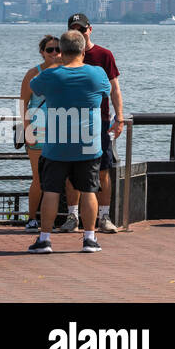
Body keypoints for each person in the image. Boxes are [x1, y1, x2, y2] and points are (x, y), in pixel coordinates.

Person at [27, 30, 110, 254]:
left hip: (56, 145)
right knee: (89, 190)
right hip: (88, 144)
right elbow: (106, 92)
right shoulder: (97, 74)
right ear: (83, 50)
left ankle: (44, 239)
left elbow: (34, 87)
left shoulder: (51, 75)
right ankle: (90, 239)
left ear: (61, 51)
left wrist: (56, 64)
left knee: (52, 190)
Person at [67, 14, 122, 233]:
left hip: (100, 121)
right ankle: (72, 216)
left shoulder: (104, 55)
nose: (79, 33)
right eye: (74, 29)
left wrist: (120, 118)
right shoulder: (64, 55)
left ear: (90, 29)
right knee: (70, 171)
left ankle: (104, 217)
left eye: (83, 29)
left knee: (103, 170)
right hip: (70, 121)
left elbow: (115, 88)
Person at [19, 35, 80, 232]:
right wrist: (28, 130)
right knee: (38, 178)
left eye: (58, 49)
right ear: (42, 52)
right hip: (38, 132)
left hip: (63, 132)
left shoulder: (69, 72)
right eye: (49, 50)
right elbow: (23, 104)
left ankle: (71, 218)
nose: (54, 53)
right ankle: (32, 219)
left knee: (70, 178)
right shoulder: (33, 74)